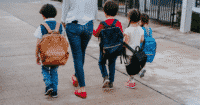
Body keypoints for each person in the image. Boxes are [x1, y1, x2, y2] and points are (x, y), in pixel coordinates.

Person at [61, 0, 97, 99]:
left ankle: (82, 88)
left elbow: (65, 9)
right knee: (81, 52)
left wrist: (63, 22)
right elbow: (95, 11)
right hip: (88, 26)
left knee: (77, 56)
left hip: (73, 25)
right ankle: (76, 76)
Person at [34, 4, 66, 98]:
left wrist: (37, 56)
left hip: (45, 55)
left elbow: (38, 43)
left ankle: (48, 85)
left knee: (44, 69)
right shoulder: (60, 26)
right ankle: (55, 91)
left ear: (43, 15)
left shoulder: (41, 27)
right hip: (57, 55)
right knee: (54, 71)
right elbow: (63, 40)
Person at [93, 1, 123, 89]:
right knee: (112, 64)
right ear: (116, 12)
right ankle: (111, 82)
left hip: (104, 49)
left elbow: (97, 34)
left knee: (101, 62)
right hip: (115, 48)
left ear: (104, 12)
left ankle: (105, 77)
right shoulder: (118, 23)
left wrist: (92, 30)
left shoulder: (103, 24)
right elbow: (122, 34)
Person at [123, 9, 144, 89]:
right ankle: (130, 79)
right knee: (134, 66)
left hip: (129, 52)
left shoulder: (128, 30)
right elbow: (142, 40)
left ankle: (131, 82)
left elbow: (126, 42)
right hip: (137, 52)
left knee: (129, 67)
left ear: (129, 19)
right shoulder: (141, 29)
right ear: (139, 19)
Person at [138, 13, 152, 78]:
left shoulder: (141, 29)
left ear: (141, 21)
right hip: (148, 47)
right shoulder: (149, 29)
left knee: (138, 59)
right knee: (144, 59)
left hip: (141, 47)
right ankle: (143, 68)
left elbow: (140, 39)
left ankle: (140, 70)